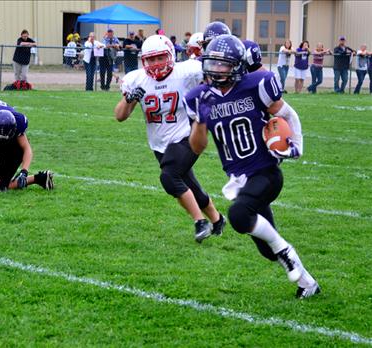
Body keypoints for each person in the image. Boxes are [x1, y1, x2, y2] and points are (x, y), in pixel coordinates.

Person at [188, 34, 320, 299]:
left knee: (238, 216)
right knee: (266, 251)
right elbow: (197, 147)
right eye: (212, 63)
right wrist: (201, 121)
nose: (215, 69)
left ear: (237, 66)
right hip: (238, 179)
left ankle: (287, 252)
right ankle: (309, 283)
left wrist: (297, 146)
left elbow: (287, 114)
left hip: (265, 171)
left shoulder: (257, 84)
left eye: (222, 64)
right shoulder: (199, 96)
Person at [114, 34, 226, 243]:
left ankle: (199, 222)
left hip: (187, 135)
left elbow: (215, 72)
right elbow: (120, 116)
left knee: (169, 177)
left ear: (171, 55)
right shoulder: (136, 79)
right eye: (151, 59)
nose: (156, 64)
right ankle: (218, 219)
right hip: (159, 143)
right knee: (187, 184)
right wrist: (130, 99)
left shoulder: (188, 71)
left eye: (160, 58)